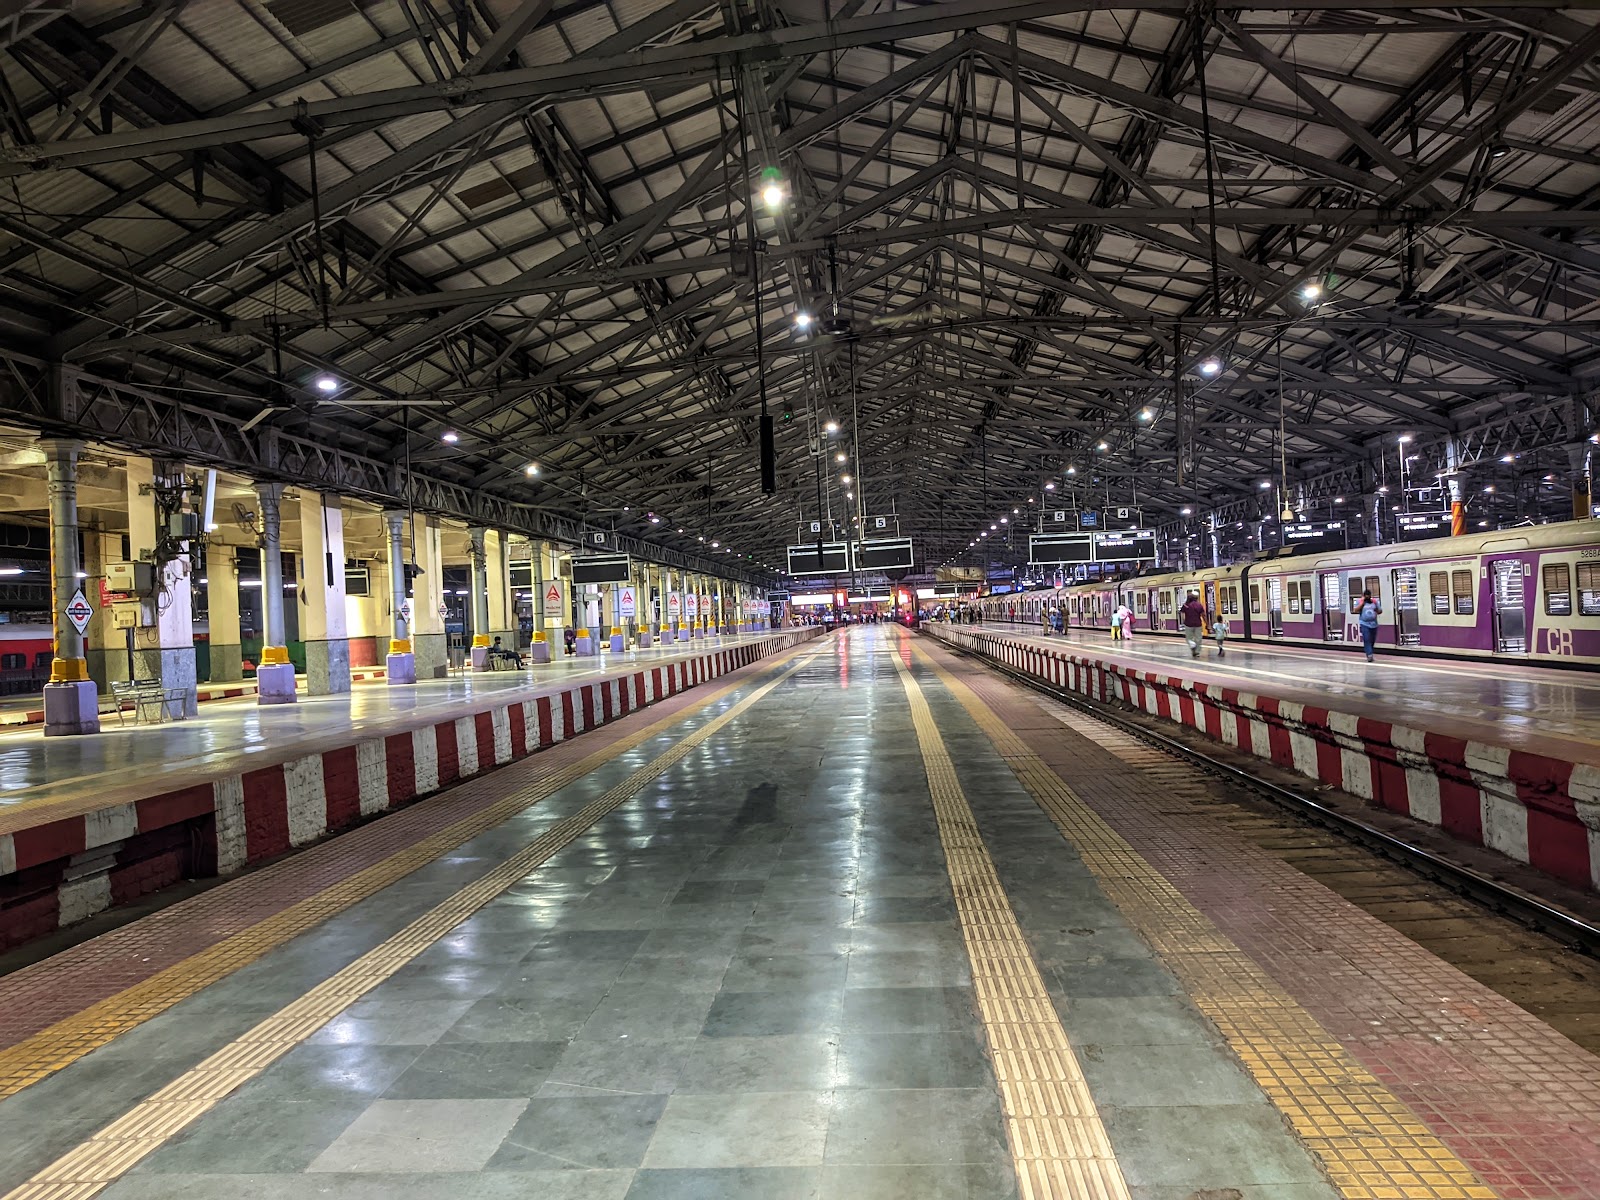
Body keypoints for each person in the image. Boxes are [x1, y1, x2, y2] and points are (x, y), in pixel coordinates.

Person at [1357, 588, 1382, 661]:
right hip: (1364, 623)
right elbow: (1356, 610)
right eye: (1366, 596)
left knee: (1372, 640)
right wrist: (1362, 604)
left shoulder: (1374, 602)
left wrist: (1376, 609)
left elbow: (1380, 611)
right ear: (1364, 596)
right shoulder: (1360, 601)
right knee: (1367, 638)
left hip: (1374, 624)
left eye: (1369, 596)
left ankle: (1369, 651)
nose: (1367, 597)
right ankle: (1369, 654)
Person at [1180, 590, 1206, 658]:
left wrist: (1184, 621)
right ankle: (1197, 652)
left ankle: (1193, 646)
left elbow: (1182, 614)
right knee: (1198, 639)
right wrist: (1207, 623)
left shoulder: (1185, 605)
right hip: (1198, 624)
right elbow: (1203, 615)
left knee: (1189, 638)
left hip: (1188, 624)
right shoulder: (1199, 605)